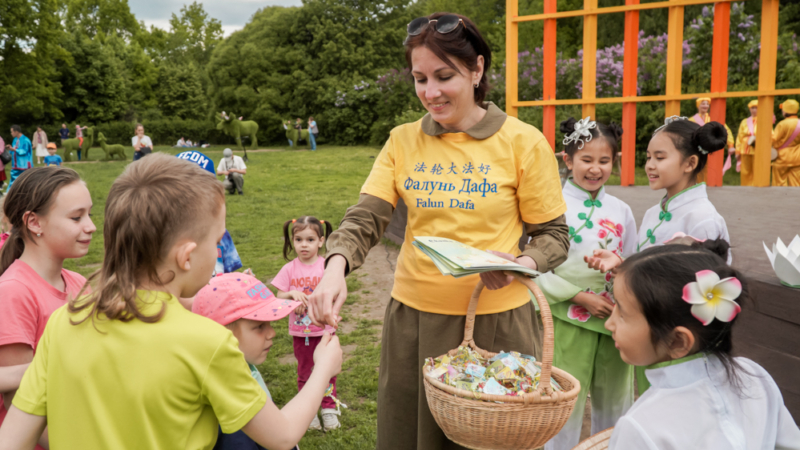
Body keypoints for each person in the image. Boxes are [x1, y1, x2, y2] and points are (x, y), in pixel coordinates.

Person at [307, 13, 569, 450]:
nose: (430, 92)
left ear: (478, 69)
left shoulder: (523, 142)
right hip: (414, 322)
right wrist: (335, 268)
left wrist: (522, 263)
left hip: (497, 324)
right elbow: (364, 219)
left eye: (444, 76)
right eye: (419, 78)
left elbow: (553, 236)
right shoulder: (402, 140)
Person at [0, 153, 344, 450]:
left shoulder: (66, 321)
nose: (218, 250)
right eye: (217, 241)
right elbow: (282, 436)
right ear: (187, 256)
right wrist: (323, 367)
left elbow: (11, 440)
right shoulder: (207, 342)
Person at [606, 241, 800, 449]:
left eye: (623, 313)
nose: (609, 323)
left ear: (678, 341)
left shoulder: (640, 427)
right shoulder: (755, 376)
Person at [586, 116, 731, 394]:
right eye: (649, 156)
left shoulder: (702, 218)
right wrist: (623, 264)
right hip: (650, 331)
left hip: (678, 340)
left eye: (660, 157)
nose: (649, 165)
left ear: (690, 163)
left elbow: (710, 288)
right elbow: (653, 269)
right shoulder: (655, 213)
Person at [537, 118, 636, 450]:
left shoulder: (621, 210)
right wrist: (579, 296)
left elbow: (633, 262)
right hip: (568, 319)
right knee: (564, 402)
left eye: (604, 161)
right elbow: (534, 268)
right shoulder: (551, 207)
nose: (595, 169)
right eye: (587, 160)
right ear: (568, 161)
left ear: (615, 162)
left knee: (617, 404)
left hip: (616, 324)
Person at [0, 167, 96, 450]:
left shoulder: (79, 283)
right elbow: (19, 401)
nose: (90, 226)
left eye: (90, 214)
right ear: (34, 223)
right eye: (76, 217)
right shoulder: (14, 293)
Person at [193, 273, 307, 450]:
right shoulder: (231, 409)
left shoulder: (243, 368)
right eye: (259, 326)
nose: (272, 333)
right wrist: (323, 368)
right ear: (223, 335)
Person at [272, 216, 340, 432]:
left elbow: (336, 292)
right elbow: (278, 296)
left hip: (324, 331)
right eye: (299, 239)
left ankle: (328, 409)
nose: (303, 245)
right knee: (305, 372)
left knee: (327, 370)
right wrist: (291, 295)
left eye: (310, 240)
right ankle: (308, 412)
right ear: (292, 241)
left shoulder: (327, 267)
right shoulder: (289, 269)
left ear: (321, 241)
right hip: (301, 333)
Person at [690, 97, 735, 181]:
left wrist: (730, 145)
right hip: (696, 149)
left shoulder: (713, 118)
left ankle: (711, 184)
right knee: (697, 166)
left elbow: (725, 130)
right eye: (703, 103)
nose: (705, 106)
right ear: (698, 105)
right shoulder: (692, 120)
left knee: (712, 167)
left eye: (707, 104)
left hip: (712, 148)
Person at [735, 100, 766, 186]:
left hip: (759, 149)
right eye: (752, 108)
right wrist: (738, 150)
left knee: (758, 170)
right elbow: (739, 137)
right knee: (745, 171)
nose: (754, 110)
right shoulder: (744, 121)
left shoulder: (764, 120)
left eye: (756, 108)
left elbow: (769, 135)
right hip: (745, 148)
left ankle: (757, 186)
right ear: (749, 109)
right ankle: (745, 187)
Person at [771, 99, 800, 187]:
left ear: (785, 111)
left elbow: (773, 139)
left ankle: (780, 200)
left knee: (779, 183)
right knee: (796, 183)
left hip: (782, 158)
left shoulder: (782, 124)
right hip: (797, 157)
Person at [5, 126, 33, 193]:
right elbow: (14, 151)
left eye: (12, 132)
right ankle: (8, 195)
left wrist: (14, 149)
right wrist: (10, 148)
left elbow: (24, 151)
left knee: (26, 181)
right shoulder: (15, 140)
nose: (11, 133)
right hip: (15, 165)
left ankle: (28, 194)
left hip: (24, 165)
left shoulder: (26, 140)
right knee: (13, 181)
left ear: (16, 131)